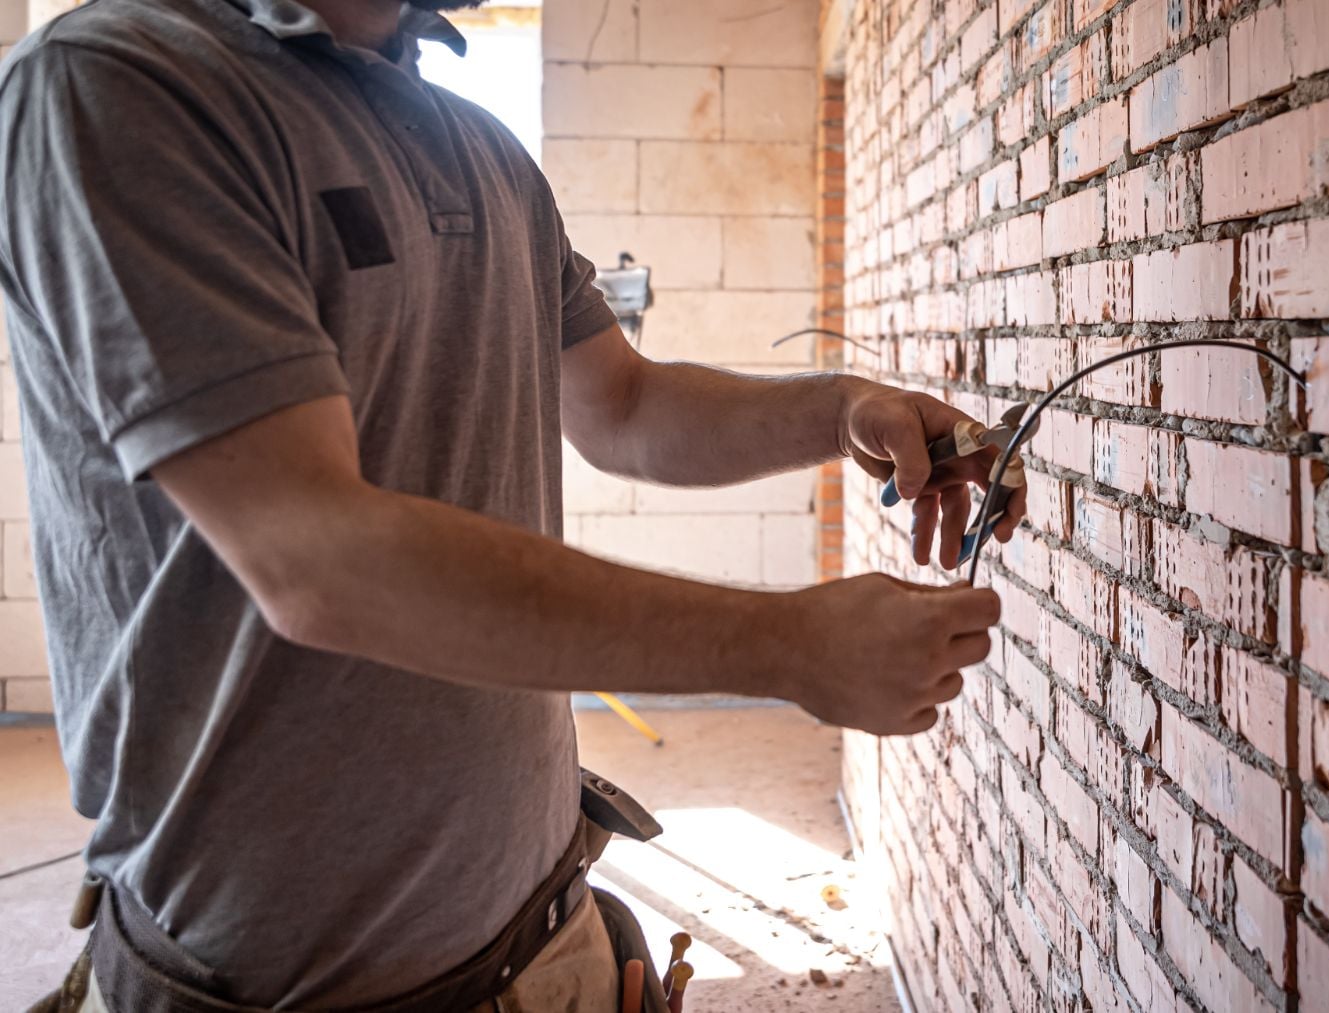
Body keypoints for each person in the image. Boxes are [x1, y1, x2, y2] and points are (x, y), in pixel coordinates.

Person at [0, 0, 1025, 1007]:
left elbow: (623, 404)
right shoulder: (118, 83)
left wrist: (845, 408)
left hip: (543, 935)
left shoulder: (481, 147)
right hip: (274, 985)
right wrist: (785, 645)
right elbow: (317, 554)